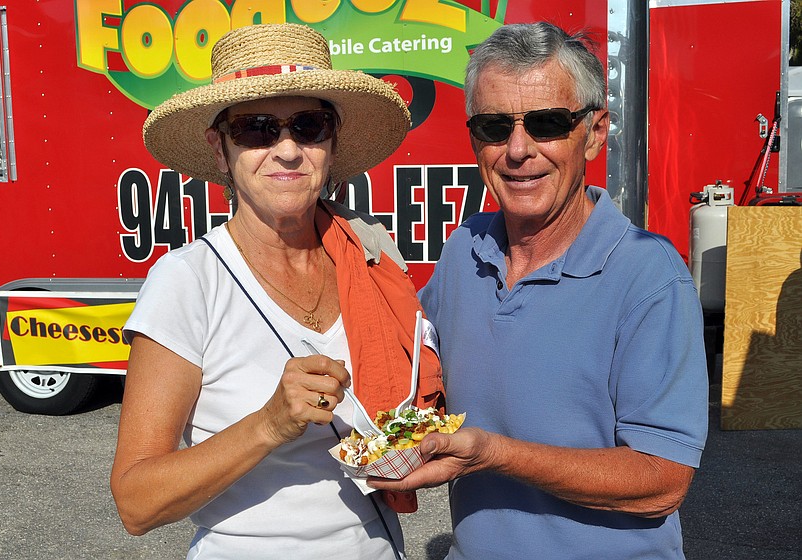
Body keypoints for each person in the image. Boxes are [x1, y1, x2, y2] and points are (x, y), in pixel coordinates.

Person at [368, 22, 709, 559]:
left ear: (595, 133)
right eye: (494, 126)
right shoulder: (465, 251)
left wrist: (490, 453)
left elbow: (662, 480)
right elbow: (405, 366)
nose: (518, 150)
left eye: (547, 123)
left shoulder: (649, 276)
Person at [110, 23, 444, 560]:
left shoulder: (370, 259)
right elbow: (136, 502)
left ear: (331, 147)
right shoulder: (189, 281)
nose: (287, 150)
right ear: (221, 150)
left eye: (309, 126)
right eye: (257, 129)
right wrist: (269, 424)